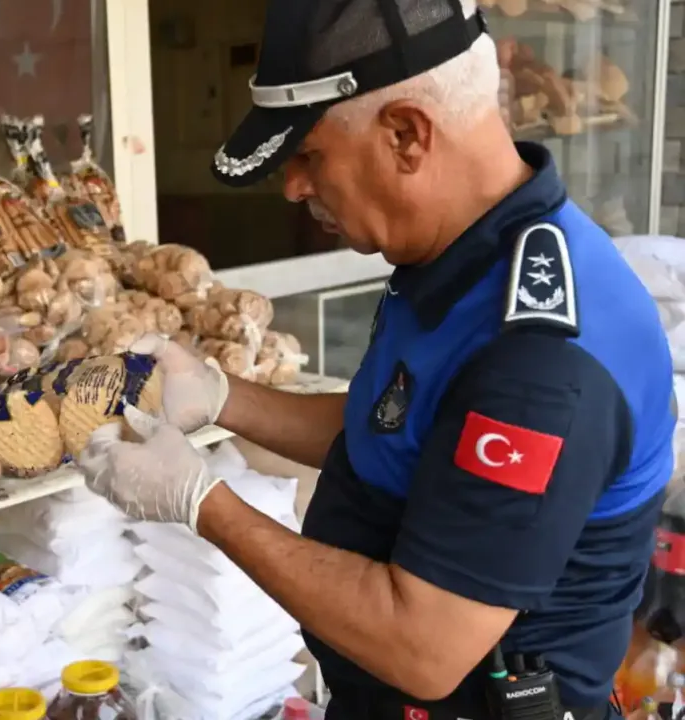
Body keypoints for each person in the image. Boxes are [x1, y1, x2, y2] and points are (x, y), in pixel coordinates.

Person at [79, 0, 673, 718]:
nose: (293, 186)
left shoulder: (541, 362)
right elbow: (402, 433)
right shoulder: (465, 255)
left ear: (407, 134)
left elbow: (422, 648)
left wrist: (202, 503)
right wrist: (220, 396)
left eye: (310, 155)